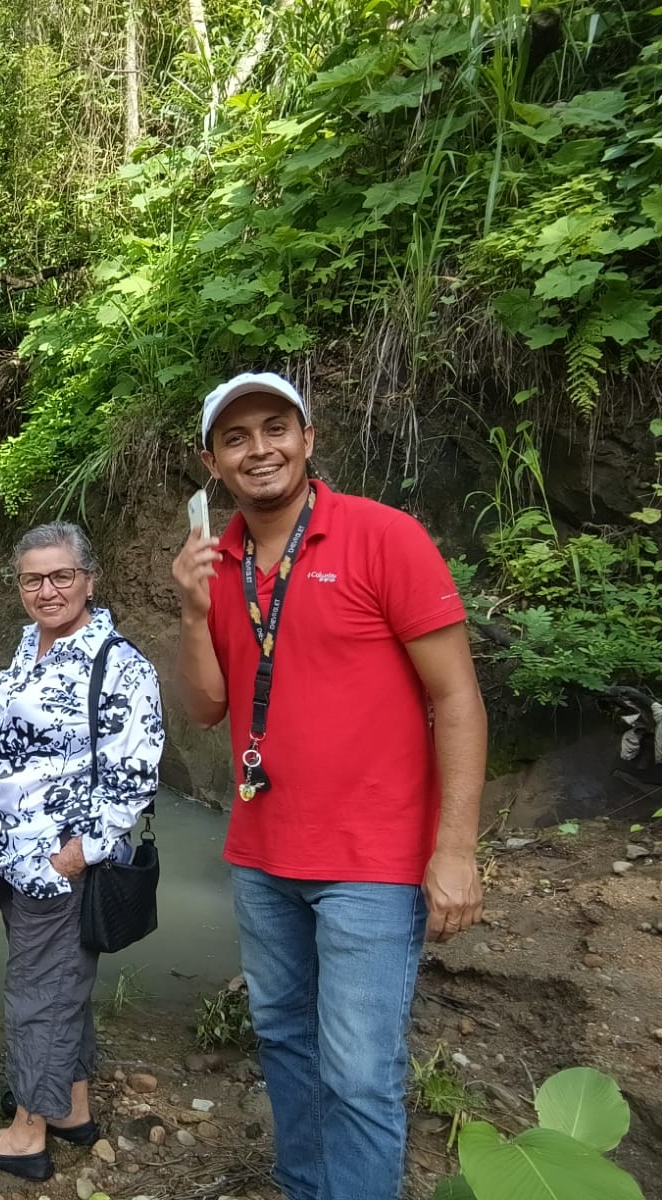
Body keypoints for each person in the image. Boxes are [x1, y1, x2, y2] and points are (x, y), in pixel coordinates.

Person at [170, 372, 486, 1200]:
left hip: (372, 861)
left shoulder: (385, 537)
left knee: (359, 1070)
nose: (259, 449)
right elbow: (205, 708)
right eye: (236, 438)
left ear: (308, 440)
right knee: (283, 1039)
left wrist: (455, 849)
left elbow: (457, 696)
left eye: (276, 428)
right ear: (212, 462)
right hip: (262, 853)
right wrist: (193, 611)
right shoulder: (216, 562)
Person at [0, 522, 163, 1182]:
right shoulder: (30, 646)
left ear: (89, 580)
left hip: (58, 864)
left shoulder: (120, 665)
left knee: (37, 995)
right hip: (13, 858)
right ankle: (71, 1109)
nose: (47, 590)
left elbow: (136, 775)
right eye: (32, 579)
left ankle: (27, 1134)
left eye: (61, 576)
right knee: (61, 984)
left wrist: (72, 857)